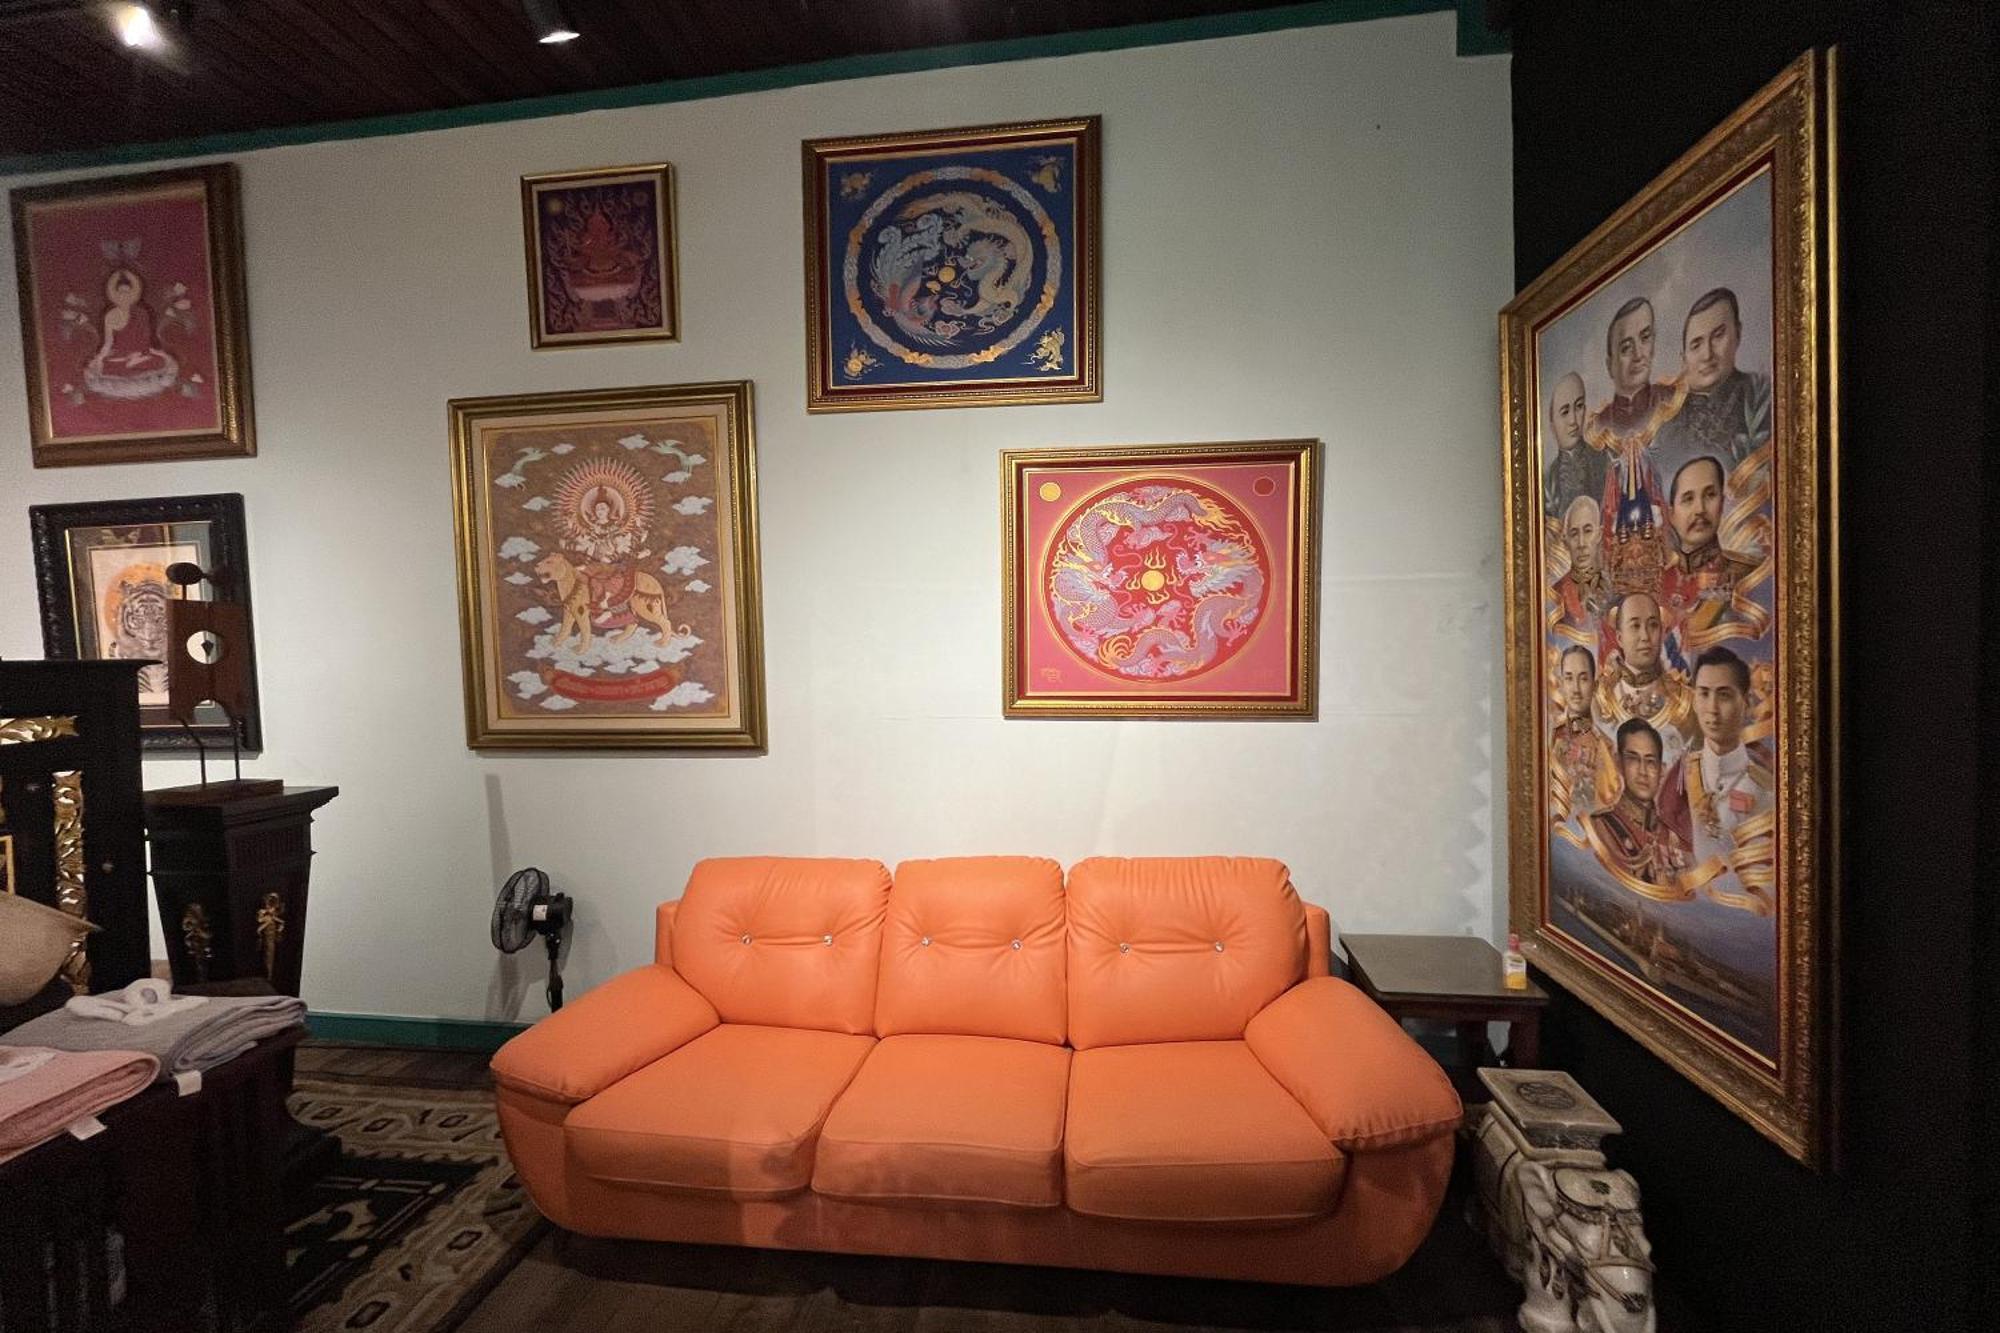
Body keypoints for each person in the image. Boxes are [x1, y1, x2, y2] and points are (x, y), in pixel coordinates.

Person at [1658, 647, 1775, 885]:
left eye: (1724, 695)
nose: (1712, 708)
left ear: (1746, 703)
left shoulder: (1764, 791)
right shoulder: (1681, 773)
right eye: (1703, 694)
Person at [1650, 288, 1773, 486]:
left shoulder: (1765, 395)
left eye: (1718, 336)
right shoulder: (1667, 426)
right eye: (1696, 345)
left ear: (1738, 334)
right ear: (1683, 359)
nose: (1707, 354)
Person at [1657, 456, 1764, 641]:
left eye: (1710, 495)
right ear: (1671, 514)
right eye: (1688, 499)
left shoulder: (1750, 576)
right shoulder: (1656, 585)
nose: (1700, 509)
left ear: (1721, 504)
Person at [1585, 718, 1692, 887]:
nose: (1643, 771)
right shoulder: (1600, 828)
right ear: (1619, 763)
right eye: (1633, 759)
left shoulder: (1676, 839)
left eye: (1650, 762)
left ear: (1661, 770)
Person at [1594, 590, 1695, 749]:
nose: (1645, 636)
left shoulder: (1685, 703)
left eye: (1653, 625)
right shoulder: (1600, 699)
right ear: (1619, 638)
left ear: (1661, 633)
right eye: (1635, 626)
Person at [1550, 645, 1615, 820]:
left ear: (1594, 685)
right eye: (1569, 678)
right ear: (1561, 684)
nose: (1576, 689)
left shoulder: (1607, 745)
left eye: (1583, 679)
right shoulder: (1548, 736)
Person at [1540, 371, 1605, 519]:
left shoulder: (1605, 462)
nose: (1573, 421)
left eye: (1579, 406)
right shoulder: (1546, 482)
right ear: (1552, 425)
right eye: (1564, 412)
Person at [1552, 495, 1615, 637]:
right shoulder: (1555, 595)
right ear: (1565, 540)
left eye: (1587, 531)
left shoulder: (1614, 588)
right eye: (1574, 534)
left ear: (1599, 534)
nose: (1581, 543)